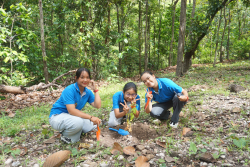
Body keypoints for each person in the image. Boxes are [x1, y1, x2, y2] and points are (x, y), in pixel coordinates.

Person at [49, 68, 101, 143]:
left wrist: (95, 90)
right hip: (57, 117)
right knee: (78, 123)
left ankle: (73, 130)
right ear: (76, 78)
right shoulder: (69, 90)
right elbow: (72, 111)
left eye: (87, 77)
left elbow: (97, 105)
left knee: (94, 124)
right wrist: (90, 117)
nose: (85, 80)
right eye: (82, 77)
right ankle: (65, 136)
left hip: (71, 118)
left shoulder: (87, 92)